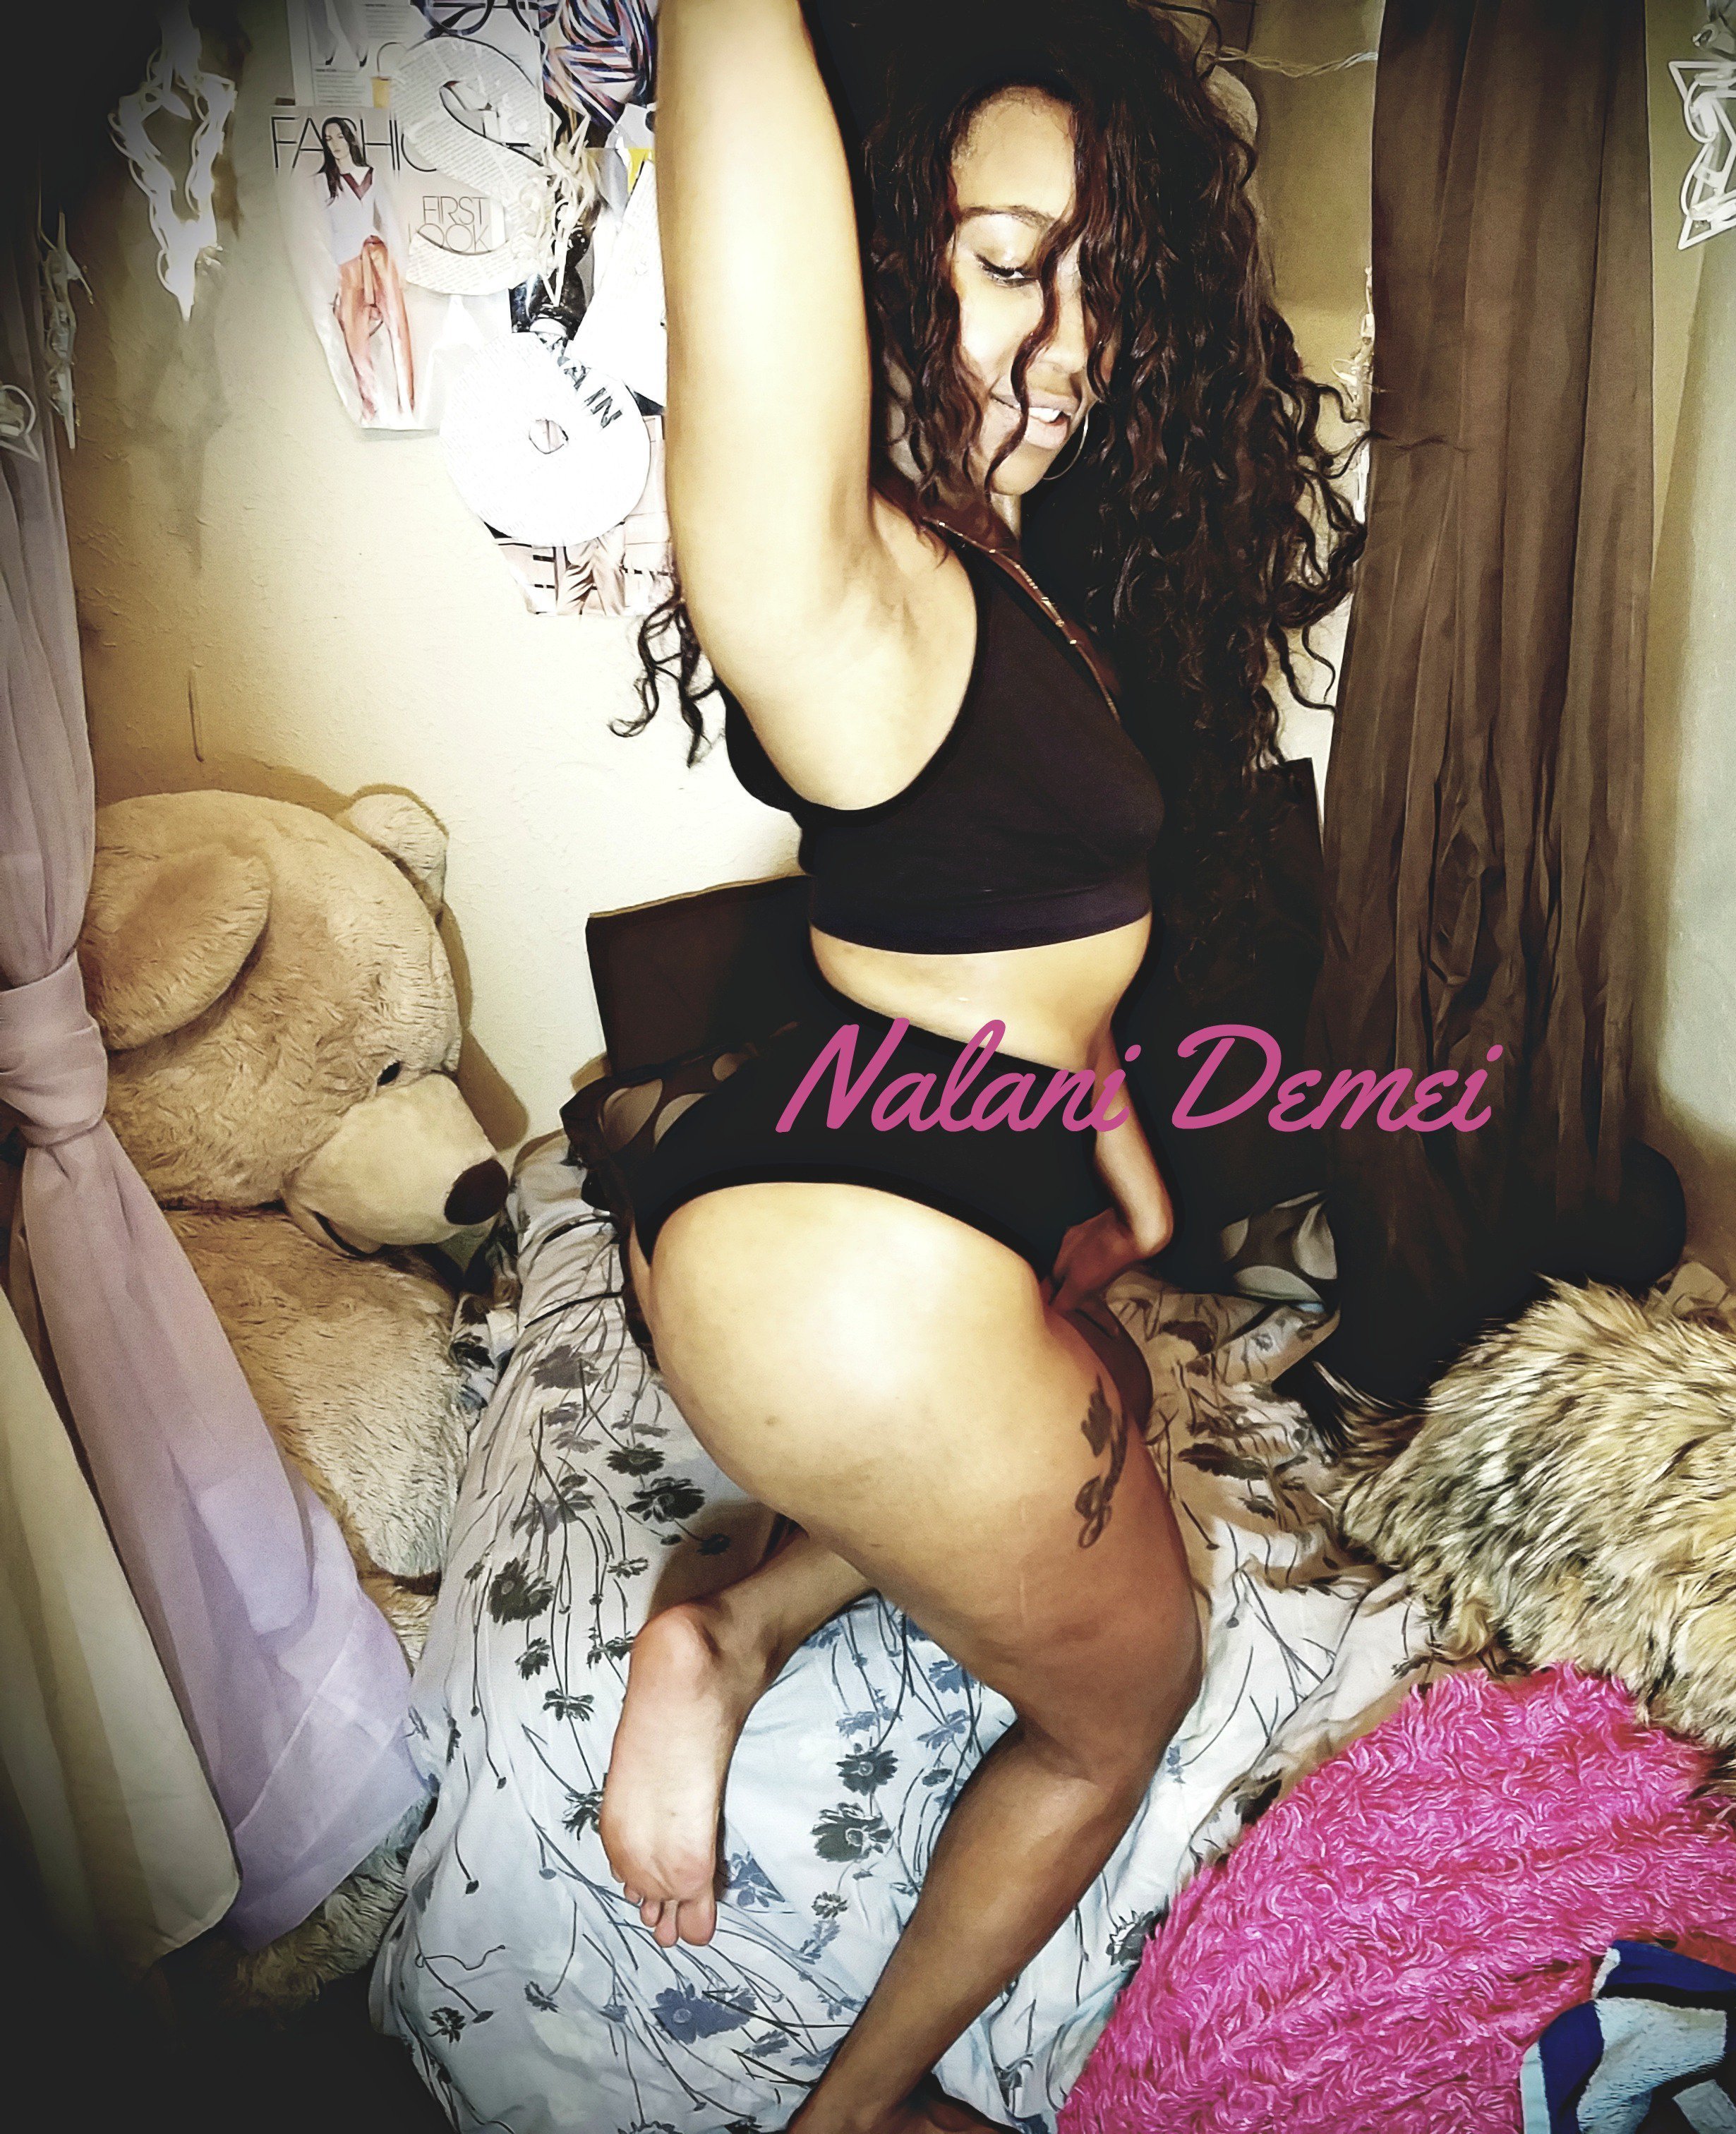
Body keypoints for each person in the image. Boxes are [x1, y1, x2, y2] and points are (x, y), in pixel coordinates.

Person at [598, 5, 1361, 2128]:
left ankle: (723, 1634)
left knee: (1092, 1356)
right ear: (879, 266)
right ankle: (851, 2119)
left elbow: (1022, 937)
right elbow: (749, 263)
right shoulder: (844, 593)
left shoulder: (995, 575)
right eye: (1010, 260)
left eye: (1103, 285)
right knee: (1125, 1710)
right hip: (849, 1269)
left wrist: (1122, 1167)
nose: (1068, 341)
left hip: (857, 1157)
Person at [318, 114, 414, 422]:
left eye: (339, 136)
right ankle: (370, 407)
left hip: (379, 257)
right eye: (328, 139)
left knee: (399, 330)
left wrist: (403, 268)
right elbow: (325, 231)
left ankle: (407, 405)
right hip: (348, 265)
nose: (335, 144)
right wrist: (332, 280)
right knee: (355, 340)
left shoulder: (372, 175)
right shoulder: (324, 181)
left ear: (349, 138)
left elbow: (389, 221)